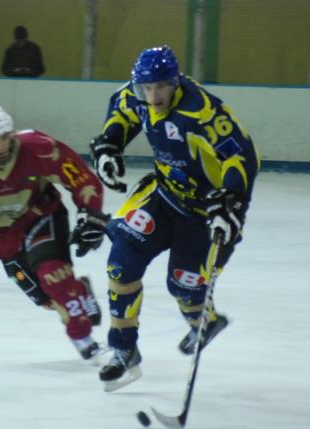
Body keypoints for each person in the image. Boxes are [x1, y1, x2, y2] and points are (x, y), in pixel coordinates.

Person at [89, 45, 260, 391]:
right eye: (146, 89)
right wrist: (109, 146)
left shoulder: (203, 111)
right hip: (164, 194)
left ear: (175, 81)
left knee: (184, 288)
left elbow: (243, 156)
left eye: (161, 88)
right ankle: (124, 350)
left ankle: (204, 322)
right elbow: (121, 113)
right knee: (121, 260)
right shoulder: (137, 94)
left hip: (205, 213)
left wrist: (231, 200)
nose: (153, 96)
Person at [0, 102, 110, 360]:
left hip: (43, 216)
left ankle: (85, 341)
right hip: (4, 240)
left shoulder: (39, 148)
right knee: (48, 299)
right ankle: (80, 291)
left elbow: (79, 176)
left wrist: (90, 213)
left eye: (3, 138)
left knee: (54, 277)